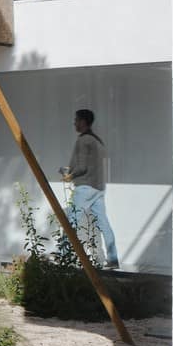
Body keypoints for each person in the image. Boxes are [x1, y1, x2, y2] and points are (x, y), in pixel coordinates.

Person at [60, 109, 119, 269]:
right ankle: (113, 259)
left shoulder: (84, 140)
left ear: (83, 122)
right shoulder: (97, 141)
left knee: (70, 222)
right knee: (103, 223)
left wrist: (69, 175)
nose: (74, 123)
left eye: (76, 120)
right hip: (99, 188)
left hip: (85, 187)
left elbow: (82, 167)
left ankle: (64, 259)